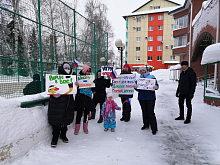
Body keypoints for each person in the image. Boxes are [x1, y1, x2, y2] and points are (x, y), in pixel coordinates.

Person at [48, 62, 76, 147]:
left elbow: (73, 89)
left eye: (68, 68)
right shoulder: (56, 78)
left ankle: (63, 135)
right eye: (65, 68)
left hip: (68, 102)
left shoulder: (71, 78)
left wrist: (76, 85)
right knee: (57, 121)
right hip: (57, 103)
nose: (67, 70)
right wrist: (54, 93)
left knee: (65, 120)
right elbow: (50, 87)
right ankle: (55, 138)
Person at [134, 66, 159, 135]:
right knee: (144, 111)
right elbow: (138, 89)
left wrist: (155, 87)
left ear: (146, 70)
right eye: (141, 71)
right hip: (142, 98)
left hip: (150, 97)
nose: (142, 71)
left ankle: (154, 128)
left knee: (150, 112)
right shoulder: (139, 79)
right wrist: (136, 87)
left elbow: (156, 85)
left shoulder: (151, 77)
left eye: (143, 70)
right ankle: (146, 124)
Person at [74, 64, 93, 135]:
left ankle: (85, 128)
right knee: (79, 114)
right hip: (80, 98)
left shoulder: (90, 78)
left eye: (89, 72)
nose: (88, 73)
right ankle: (77, 129)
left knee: (86, 114)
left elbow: (93, 88)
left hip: (88, 98)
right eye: (87, 71)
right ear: (84, 71)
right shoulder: (79, 78)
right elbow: (74, 88)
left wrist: (94, 85)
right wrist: (76, 85)